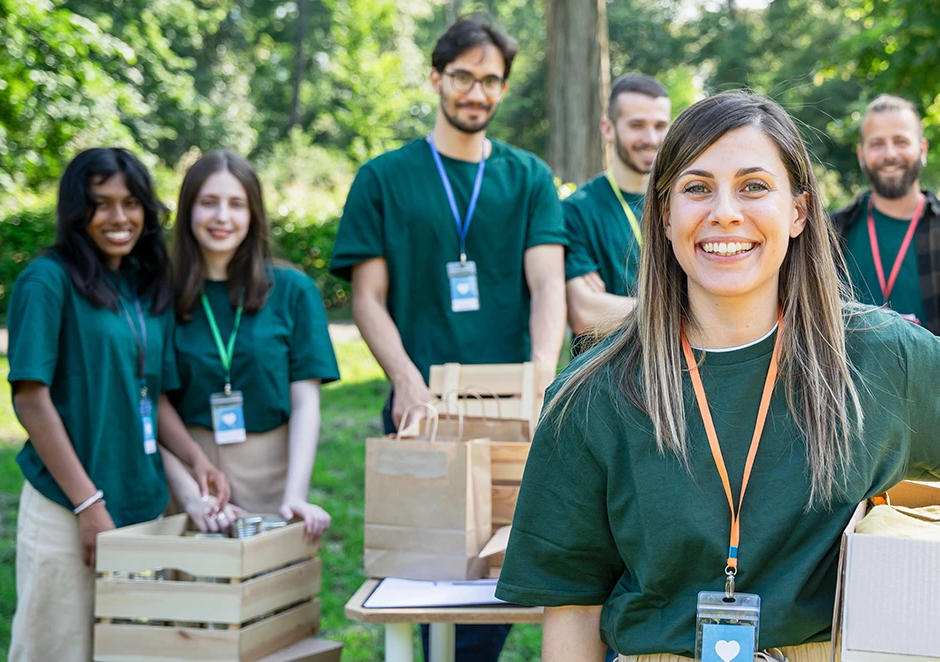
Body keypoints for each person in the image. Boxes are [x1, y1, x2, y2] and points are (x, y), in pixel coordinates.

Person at [496, 91, 940, 660]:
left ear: (797, 212)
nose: (725, 213)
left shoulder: (879, 356)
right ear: (663, 215)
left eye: (754, 186)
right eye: (697, 188)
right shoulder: (591, 396)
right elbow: (573, 610)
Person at [328, 15, 565, 660]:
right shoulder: (383, 178)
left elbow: (547, 285)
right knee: (415, 588)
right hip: (424, 413)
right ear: (436, 77)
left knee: (492, 595)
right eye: (463, 76)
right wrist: (405, 380)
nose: (476, 92)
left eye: (491, 80)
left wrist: (541, 372)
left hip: (507, 416)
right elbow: (367, 299)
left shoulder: (529, 179)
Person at [6, 148, 230, 662]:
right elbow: (31, 401)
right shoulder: (46, 281)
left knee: (127, 651)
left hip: (139, 498)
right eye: (100, 204)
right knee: (57, 649)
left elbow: (155, 395)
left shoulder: (143, 285)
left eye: (130, 203)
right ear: (75, 211)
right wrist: (89, 506)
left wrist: (197, 462)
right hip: (69, 503)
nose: (118, 218)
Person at [162, 151, 339, 539]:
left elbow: (306, 401)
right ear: (188, 209)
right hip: (190, 474)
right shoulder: (160, 295)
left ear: (253, 214)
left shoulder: (293, 291)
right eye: (208, 202)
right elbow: (152, 406)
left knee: (267, 593)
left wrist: (295, 494)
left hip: (272, 471)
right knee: (195, 592)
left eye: (236, 204)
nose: (222, 217)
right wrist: (189, 491)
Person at [830, 94, 940, 367]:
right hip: (846, 396)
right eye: (877, 144)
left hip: (935, 402)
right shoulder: (829, 234)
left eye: (900, 141)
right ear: (861, 155)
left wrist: (930, 363)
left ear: (922, 149)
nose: (889, 154)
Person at [564, 73, 671, 351]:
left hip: (679, 373)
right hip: (605, 379)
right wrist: (686, 310)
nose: (650, 138)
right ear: (608, 128)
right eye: (636, 125)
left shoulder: (684, 202)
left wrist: (615, 308)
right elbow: (585, 313)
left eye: (660, 126)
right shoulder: (576, 210)